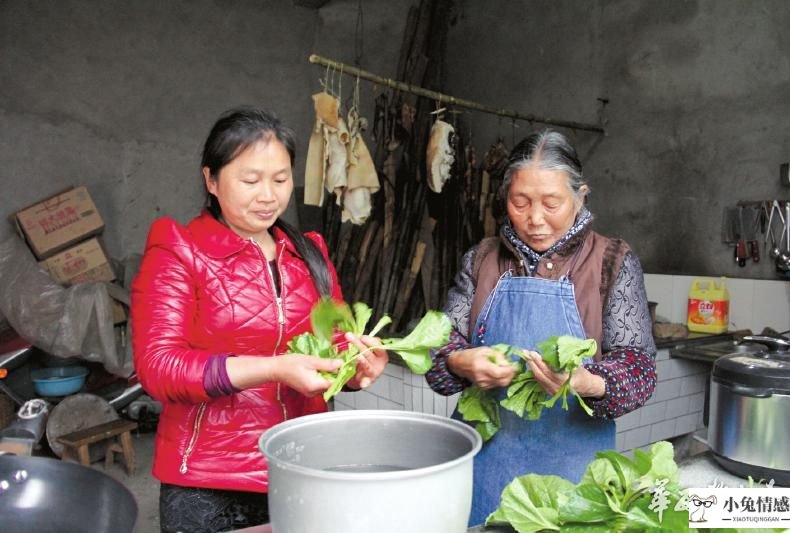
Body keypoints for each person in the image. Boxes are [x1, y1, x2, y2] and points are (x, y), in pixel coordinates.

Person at [131, 106, 388, 533]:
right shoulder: (178, 251)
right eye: (250, 180)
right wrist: (274, 369)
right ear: (211, 180)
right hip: (211, 477)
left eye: (281, 179)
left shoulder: (309, 252)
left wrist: (356, 366)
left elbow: (335, 340)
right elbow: (159, 367)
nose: (268, 195)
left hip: (303, 463)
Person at [425, 129, 657, 526]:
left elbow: (639, 369)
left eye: (551, 203)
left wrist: (585, 381)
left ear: (580, 195)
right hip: (484, 466)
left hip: (572, 471)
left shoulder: (611, 261)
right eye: (520, 202)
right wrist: (460, 362)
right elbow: (437, 352)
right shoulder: (481, 259)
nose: (534, 219)